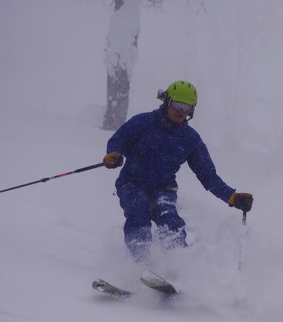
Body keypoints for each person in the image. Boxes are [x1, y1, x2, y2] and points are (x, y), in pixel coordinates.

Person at [102, 80, 253, 262]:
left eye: (186, 107)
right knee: (138, 213)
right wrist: (113, 155)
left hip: (164, 188)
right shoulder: (143, 122)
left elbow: (207, 175)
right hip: (132, 182)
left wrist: (232, 197)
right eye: (176, 105)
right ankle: (140, 264)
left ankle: (177, 268)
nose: (180, 111)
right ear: (167, 102)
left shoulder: (191, 139)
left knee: (171, 222)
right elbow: (117, 141)